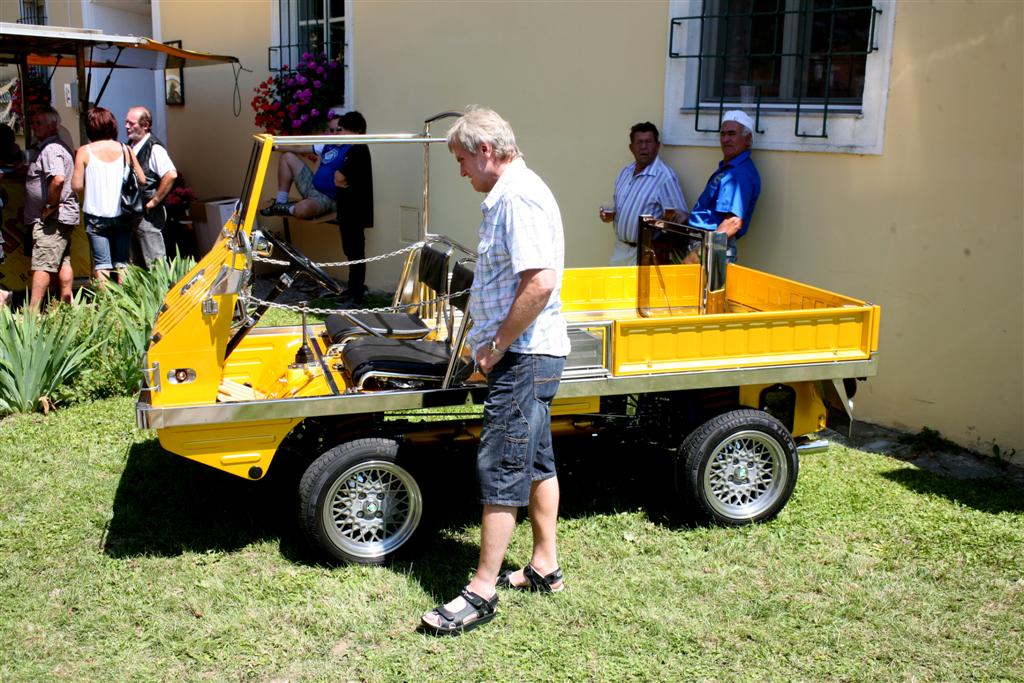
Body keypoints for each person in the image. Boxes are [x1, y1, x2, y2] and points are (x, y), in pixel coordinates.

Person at [420, 107, 571, 636]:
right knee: (535, 460)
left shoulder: (519, 196)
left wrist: (496, 347)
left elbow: (540, 282)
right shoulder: (508, 194)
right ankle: (545, 565)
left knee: (502, 468)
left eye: (462, 160)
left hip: (523, 356)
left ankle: (481, 592)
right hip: (528, 354)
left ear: (486, 150)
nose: (461, 171)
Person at [72, 107, 146, 284]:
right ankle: (126, 303)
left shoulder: (84, 151)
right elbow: (142, 179)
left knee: (102, 265)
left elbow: (76, 185)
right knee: (122, 263)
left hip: (96, 215)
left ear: (89, 128)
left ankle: (108, 306)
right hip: (122, 214)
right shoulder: (126, 149)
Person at [599, 121, 687, 267]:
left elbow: (681, 219)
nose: (644, 147)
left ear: (657, 146)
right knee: (615, 289)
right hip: (620, 249)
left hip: (646, 253)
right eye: (639, 142)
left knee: (639, 291)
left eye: (648, 142)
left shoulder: (664, 177)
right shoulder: (625, 173)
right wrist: (611, 215)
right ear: (631, 148)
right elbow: (620, 209)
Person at [682, 110, 761, 263]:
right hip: (708, 246)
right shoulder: (730, 168)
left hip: (713, 250)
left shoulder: (738, 173)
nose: (725, 139)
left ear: (748, 138)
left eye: (732, 134)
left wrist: (697, 256)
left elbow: (733, 222)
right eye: (723, 134)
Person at [24, 106, 79, 310]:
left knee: (42, 264)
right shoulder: (49, 147)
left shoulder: (52, 149)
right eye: (33, 123)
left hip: (53, 218)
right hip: (59, 216)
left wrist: (50, 205)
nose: (34, 127)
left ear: (52, 125)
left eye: (38, 123)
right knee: (62, 260)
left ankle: (32, 314)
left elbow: (58, 179)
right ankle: (66, 305)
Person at [260, 111, 355, 220]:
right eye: (332, 130)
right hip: (312, 187)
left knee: (302, 210)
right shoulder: (327, 144)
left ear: (346, 130)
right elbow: (299, 149)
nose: (334, 133)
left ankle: (287, 208)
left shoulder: (351, 148)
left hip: (327, 198)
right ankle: (280, 202)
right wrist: (274, 147)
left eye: (338, 130)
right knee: (287, 157)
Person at [125, 105, 177, 268]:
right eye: (126, 122)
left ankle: (163, 293)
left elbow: (171, 174)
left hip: (148, 216)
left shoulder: (154, 148)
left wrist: (154, 201)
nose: (127, 126)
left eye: (131, 123)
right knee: (138, 264)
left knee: (155, 262)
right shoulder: (132, 146)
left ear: (145, 125)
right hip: (134, 213)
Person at [331, 111, 373, 304]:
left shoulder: (359, 150)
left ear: (355, 130)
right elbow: (338, 178)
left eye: (342, 129)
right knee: (350, 251)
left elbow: (340, 177)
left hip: (354, 212)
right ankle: (352, 289)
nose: (339, 133)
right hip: (348, 211)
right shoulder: (352, 150)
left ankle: (356, 294)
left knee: (356, 253)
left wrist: (340, 179)